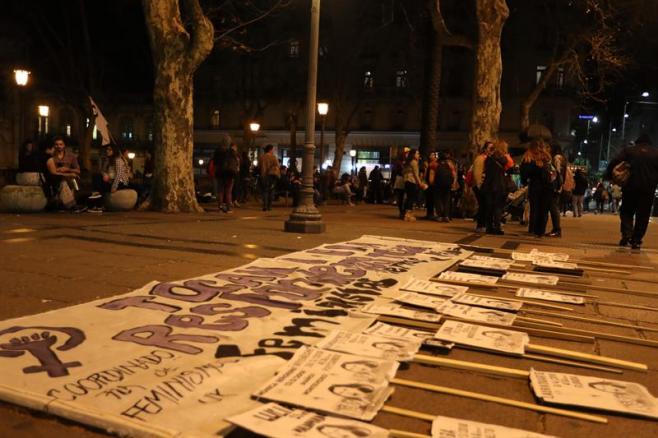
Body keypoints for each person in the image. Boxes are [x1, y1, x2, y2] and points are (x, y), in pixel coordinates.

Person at [606, 134, 658, 249]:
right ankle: (637, 239)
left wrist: (609, 175)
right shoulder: (656, 153)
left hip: (630, 187)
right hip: (648, 189)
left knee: (626, 211)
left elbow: (615, 161)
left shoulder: (629, 151)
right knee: (643, 215)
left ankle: (627, 234)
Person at [520, 139, 553, 237]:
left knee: (536, 208)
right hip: (546, 186)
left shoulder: (529, 158)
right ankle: (539, 230)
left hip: (537, 186)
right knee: (542, 209)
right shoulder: (547, 159)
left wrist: (525, 181)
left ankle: (534, 229)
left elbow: (524, 173)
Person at [481, 139, 513, 234]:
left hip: (489, 185)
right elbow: (510, 169)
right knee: (498, 207)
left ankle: (489, 227)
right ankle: (497, 227)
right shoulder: (504, 159)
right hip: (500, 185)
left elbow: (486, 171)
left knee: (489, 207)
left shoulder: (488, 159)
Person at [470, 141, 492, 232]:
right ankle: (480, 225)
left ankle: (483, 224)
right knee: (483, 205)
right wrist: (479, 185)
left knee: (485, 205)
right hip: (480, 185)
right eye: (490, 148)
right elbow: (477, 173)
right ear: (485, 149)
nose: (492, 150)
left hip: (485, 186)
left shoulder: (489, 159)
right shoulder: (480, 158)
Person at [213, 141, 240, 213]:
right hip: (229, 174)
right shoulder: (232, 153)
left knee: (220, 191)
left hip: (220, 174)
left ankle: (220, 207)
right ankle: (228, 208)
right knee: (228, 192)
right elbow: (236, 164)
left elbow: (214, 163)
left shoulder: (218, 152)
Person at [547, 143, 566, 237]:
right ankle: (556, 229)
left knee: (553, 208)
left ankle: (557, 229)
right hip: (558, 185)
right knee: (554, 207)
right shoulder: (561, 157)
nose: (548, 149)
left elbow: (557, 172)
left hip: (555, 186)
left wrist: (554, 184)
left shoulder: (557, 158)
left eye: (549, 147)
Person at [402, 149, 426, 221]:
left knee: (409, 197)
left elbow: (403, 172)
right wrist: (420, 183)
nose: (418, 155)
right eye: (417, 153)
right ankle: (408, 215)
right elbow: (416, 174)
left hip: (407, 181)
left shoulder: (407, 162)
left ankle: (406, 214)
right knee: (411, 198)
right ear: (413, 155)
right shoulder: (414, 162)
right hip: (411, 181)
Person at [435, 151, 457, 222]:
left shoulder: (436, 164)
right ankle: (446, 215)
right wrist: (453, 183)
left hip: (438, 184)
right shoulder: (450, 164)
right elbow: (454, 174)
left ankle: (440, 215)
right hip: (447, 184)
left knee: (438, 199)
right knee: (447, 199)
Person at [259, 144, 280, 211]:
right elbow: (277, 166)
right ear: (270, 149)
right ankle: (269, 206)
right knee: (271, 191)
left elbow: (259, 166)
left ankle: (264, 206)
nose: (273, 151)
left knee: (265, 191)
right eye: (273, 149)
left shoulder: (262, 157)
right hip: (272, 176)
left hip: (264, 175)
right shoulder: (273, 157)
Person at [424, 152, 438, 219]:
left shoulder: (434, 164)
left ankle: (431, 214)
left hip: (432, 184)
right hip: (429, 183)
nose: (434, 156)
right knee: (429, 199)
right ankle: (429, 213)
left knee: (431, 199)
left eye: (434, 155)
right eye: (432, 155)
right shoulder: (428, 164)